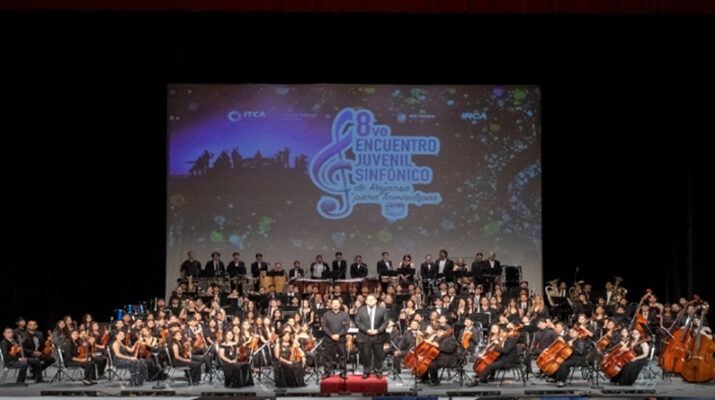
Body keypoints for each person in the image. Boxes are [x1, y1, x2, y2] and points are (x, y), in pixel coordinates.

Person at [355, 294, 389, 379]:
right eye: (368, 300)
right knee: (366, 355)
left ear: (376, 301)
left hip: (378, 335)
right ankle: (366, 372)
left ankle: (378, 371)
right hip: (365, 335)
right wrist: (366, 330)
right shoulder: (360, 310)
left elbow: (385, 322)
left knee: (378, 354)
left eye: (372, 299)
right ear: (366, 301)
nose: (370, 301)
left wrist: (378, 330)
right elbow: (357, 322)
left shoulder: (382, 310)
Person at [321, 298, 351, 379]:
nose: (335, 305)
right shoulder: (326, 314)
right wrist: (331, 335)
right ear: (331, 305)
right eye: (334, 303)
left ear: (340, 305)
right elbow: (324, 326)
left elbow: (347, 326)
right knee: (328, 356)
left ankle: (343, 372)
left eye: (337, 303)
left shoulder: (345, 315)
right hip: (329, 338)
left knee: (342, 356)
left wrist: (339, 335)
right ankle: (327, 372)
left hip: (341, 338)